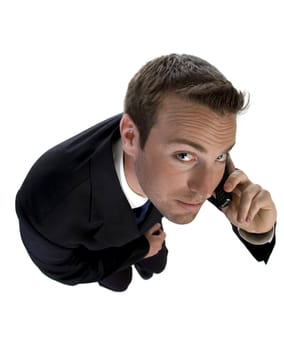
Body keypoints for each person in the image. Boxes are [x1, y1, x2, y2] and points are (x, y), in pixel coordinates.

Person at [15, 54, 277, 292]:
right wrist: (137, 251)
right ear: (130, 136)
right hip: (101, 250)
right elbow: (66, 270)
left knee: (156, 265)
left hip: (148, 223)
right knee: (120, 282)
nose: (208, 188)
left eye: (220, 155)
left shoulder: (181, 133)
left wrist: (259, 230)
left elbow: (213, 164)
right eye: (184, 156)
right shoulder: (47, 212)